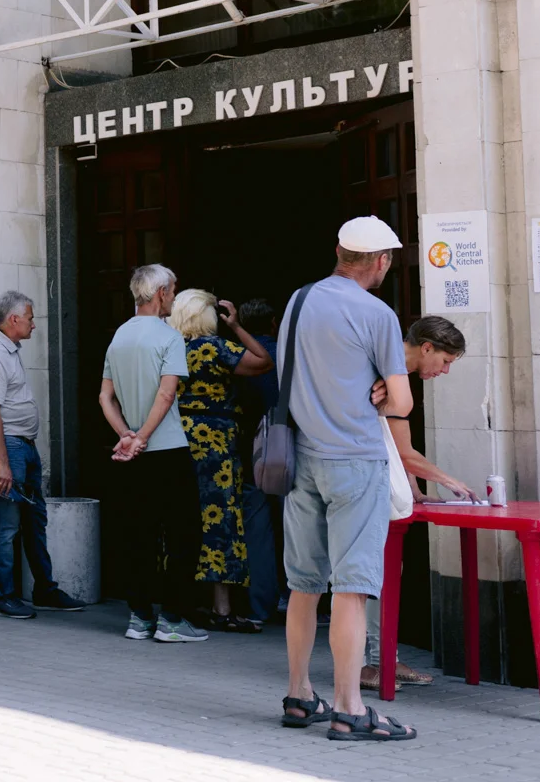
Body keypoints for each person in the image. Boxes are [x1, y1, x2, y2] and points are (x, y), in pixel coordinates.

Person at [279, 216, 417, 742]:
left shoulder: (298, 300)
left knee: (303, 585)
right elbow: (401, 402)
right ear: (380, 261)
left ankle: (299, 695)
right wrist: (382, 386)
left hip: (300, 459)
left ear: (339, 252)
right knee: (352, 589)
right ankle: (349, 707)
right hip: (355, 460)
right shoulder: (377, 314)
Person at [360, 314, 471, 691]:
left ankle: (381, 660)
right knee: (367, 573)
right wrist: (449, 481)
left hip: (365, 477)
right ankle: (369, 664)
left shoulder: (389, 371)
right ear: (426, 348)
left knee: (379, 571)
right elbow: (404, 451)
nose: (445, 370)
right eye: (446, 361)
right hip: (357, 480)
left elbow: (392, 442)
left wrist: (415, 489)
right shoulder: (388, 372)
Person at [100, 263, 206, 643]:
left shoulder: (119, 336)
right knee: (184, 535)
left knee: (138, 535)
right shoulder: (169, 337)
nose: (174, 298)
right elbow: (167, 393)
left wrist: (125, 435)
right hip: (168, 450)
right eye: (173, 291)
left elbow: (105, 397)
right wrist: (142, 436)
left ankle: (140, 617)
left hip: (133, 456)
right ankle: (172, 618)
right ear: (161, 293)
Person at [0, 290, 86, 620]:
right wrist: (2, 463)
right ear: (13, 319)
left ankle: (44, 590)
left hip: (23, 446)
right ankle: (1, 597)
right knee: (7, 525)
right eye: (30, 318)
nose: (34, 324)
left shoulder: (9, 351)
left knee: (35, 521)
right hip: (9, 448)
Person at [168, 287, 274, 630]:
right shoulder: (214, 348)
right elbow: (263, 361)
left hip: (179, 437)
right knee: (221, 519)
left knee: (186, 516)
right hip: (216, 442)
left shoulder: (170, 347)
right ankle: (222, 608)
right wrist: (237, 326)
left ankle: (185, 600)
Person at [235, 297, 283, 627]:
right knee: (296, 527)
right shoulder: (289, 352)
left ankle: (260, 605)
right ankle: (301, 598)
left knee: (257, 529)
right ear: (273, 323)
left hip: (248, 448)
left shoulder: (235, 355)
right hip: (289, 446)